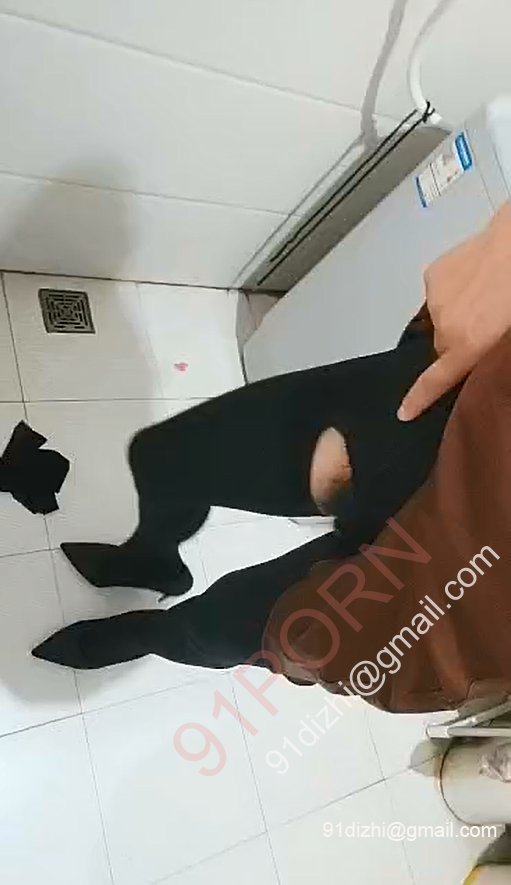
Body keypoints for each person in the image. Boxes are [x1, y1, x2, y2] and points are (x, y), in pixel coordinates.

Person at [33, 307, 457, 670]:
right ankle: (152, 559)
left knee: (231, 629)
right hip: (447, 399)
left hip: (464, 546)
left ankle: (147, 634)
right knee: (161, 458)